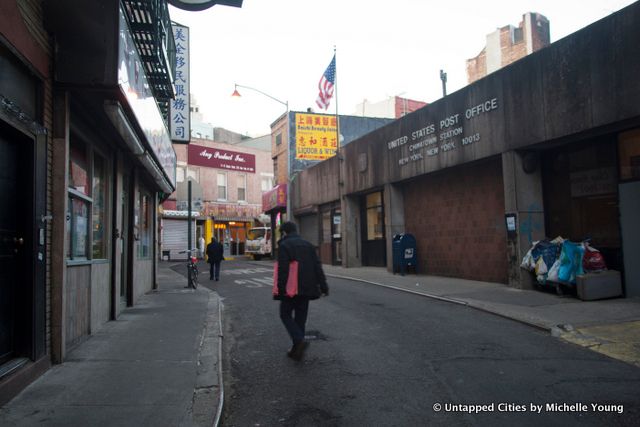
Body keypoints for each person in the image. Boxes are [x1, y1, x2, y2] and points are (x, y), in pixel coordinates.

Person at [274, 221, 328, 361]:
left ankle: (299, 340)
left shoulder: (285, 245)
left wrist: (281, 289)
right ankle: (296, 349)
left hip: (291, 288)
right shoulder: (308, 245)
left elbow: (283, 269)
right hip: (307, 288)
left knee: (285, 314)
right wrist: (323, 285)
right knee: (300, 319)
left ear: (284, 232)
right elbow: (317, 266)